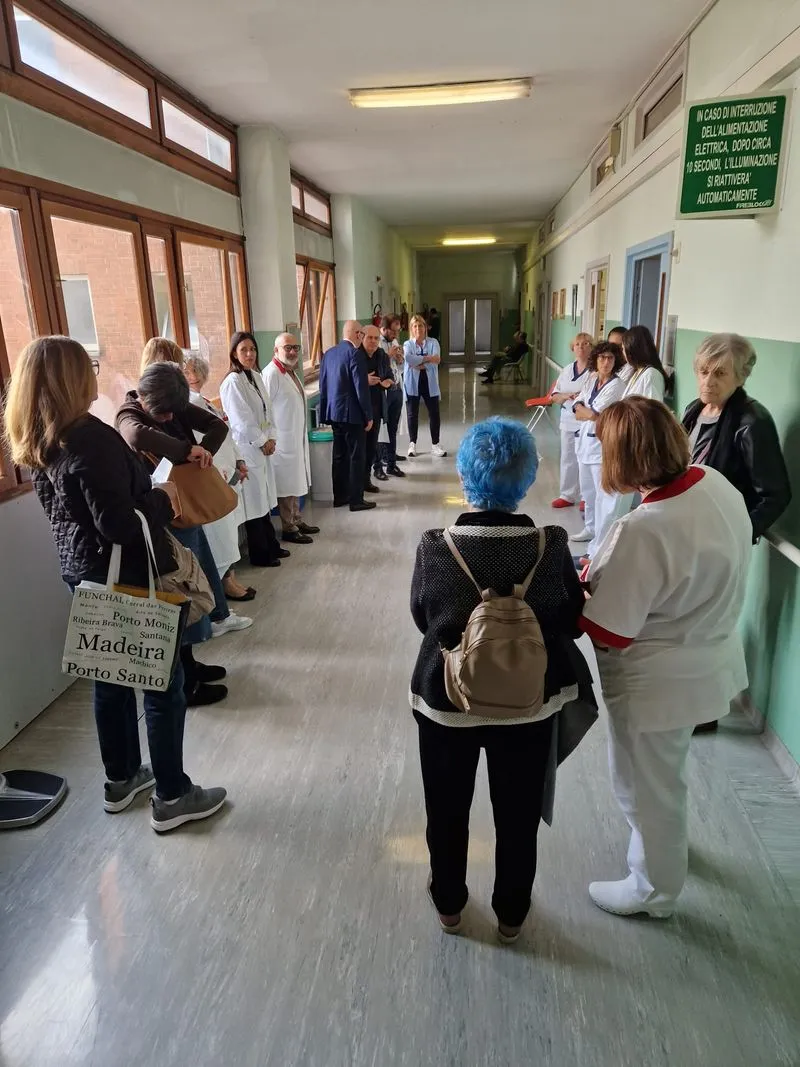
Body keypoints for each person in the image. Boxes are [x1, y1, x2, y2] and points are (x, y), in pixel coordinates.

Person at [4, 336, 226, 832]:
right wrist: (163, 497)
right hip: (126, 577)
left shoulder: (40, 438)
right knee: (161, 685)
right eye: (89, 367)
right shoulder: (89, 438)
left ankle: (121, 778)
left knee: (109, 678)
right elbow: (120, 524)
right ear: (71, 379)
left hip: (81, 574)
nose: (96, 375)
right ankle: (173, 795)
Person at [410, 418, 597, 943]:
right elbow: (570, 622)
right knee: (517, 816)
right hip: (529, 705)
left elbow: (423, 617)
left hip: (448, 700)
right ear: (526, 478)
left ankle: (449, 905)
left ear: (467, 477)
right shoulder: (551, 544)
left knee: (446, 809)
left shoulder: (436, 544)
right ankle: (511, 914)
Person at [580, 397, 752, 916]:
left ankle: (652, 888)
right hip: (708, 656)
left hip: (657, 682)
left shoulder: (645, 529)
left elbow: (609, 628)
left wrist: (581, 587)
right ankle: (667, 849)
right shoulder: (713, 482)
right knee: (667, 775)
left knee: (644, 784)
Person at [117, 364, 251, 705]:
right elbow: (136, 435)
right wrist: (184, 450)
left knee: (196, 581)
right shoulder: (129, 414)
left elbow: (216, 426)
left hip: (185, 509)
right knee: (179, 591)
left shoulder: (172, 404)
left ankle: (191, 664)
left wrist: (202, 449)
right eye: (160, 413)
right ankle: (185, 680)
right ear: (145, 397)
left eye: (171, 413)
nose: (166, 419)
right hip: (161, 519)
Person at [682, 333, 790, 542]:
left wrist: (738, 534)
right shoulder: (693, 410)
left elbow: (775, 495)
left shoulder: (752, 422)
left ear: (741, 376)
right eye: (703, 372)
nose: (708, 381)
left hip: (718, 538)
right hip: (685, 525)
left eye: (720, 373)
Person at [578, 324, 670, 566]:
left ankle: (603, 558)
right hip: (619, 444)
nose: (622, 354)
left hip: (631, 447)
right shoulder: (638, 373)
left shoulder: (651, 375)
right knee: (602, 502)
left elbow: (649, 414)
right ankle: (596, 553)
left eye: (624, 349)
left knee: (612, 506)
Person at [183, 354, 254, 603]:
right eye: (189, 371)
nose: (195, 375)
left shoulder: (204, 401)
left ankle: (229, 580)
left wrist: (239, 461)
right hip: (214, 477)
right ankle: (223, 586)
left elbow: (227, 433)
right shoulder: (188, 405)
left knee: (229, 533)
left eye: (197, 370)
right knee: (220, 539)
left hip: (228, 474)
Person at [219, 331, 289, 565]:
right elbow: (241, 420)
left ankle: (271, 544)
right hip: (248, 449)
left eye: (252, 349)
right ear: (234, 354)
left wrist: (272, 437)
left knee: (266, 500)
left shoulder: (256, 376)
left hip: (263, 446)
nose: (249, 354)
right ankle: (260, 554)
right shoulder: (232, 382)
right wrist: (262, 441)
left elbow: (269, 410)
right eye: (244, 350)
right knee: (255, 504)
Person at [262, 333, 320, 543]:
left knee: (295, 480)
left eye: (295, 347)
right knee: (286, 483)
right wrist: (270, 436)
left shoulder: (291, 372)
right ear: (276, 350)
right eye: (288, 348)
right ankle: (288, 526)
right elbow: (264, 410)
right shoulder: (271, 374)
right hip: (282, 439)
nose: (293, 351)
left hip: (295, 436)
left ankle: (297, 518)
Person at [571, 341, 626, 547]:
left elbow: (594, 414)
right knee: (588, 493)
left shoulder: (617, 385)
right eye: (602, 357)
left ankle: (601, 540)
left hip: (601, 448)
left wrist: (585, 411)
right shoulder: (591, 378)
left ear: (616, 361)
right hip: (584, 444)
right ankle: (591, 529)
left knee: (603, 496)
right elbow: (578, 405)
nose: (605, 362)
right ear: (595, 360)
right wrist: (582, 409)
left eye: (610, 358)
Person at [318, 320, 376, 512]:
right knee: (356, 456)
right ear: (358, 335)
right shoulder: (355, 354)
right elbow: (361, 388)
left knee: (339, 456)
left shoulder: (329, 354)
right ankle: (356, 499)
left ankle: (340, 497)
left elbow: (323, 385)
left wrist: (326, 412)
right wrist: (368, 415)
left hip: (334, 414)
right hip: (352, 416)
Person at [550, 333, 592, 509]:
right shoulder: (567, 369)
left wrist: (571, 397)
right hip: (567, 419)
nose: (581, 347)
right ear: (572, 348)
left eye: (585, 344)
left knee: (584, 458)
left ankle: (586, 497)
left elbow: (589, 395)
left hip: (585, 421)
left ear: (591, 347)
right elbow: (555, 395)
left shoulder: (594, 371)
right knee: (568, 457)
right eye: (577, 344)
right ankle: (567, 494)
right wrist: (565, 396)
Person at [404, 314, 447, 458]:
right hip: (412, 382)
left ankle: (435, 444)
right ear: (411, 328)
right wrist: (428, 359)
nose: (418, 329)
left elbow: (437, 359)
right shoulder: (407, 344)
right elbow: (409, 359)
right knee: (412, 413)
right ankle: (412, 444)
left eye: (420, 325)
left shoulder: (433, 342)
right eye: (415, 326)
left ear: (425, 327)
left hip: (430, 382)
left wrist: (418, 363)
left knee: (434, 413)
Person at [361, 324, 394, 487]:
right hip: (360, 409)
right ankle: (359, 482)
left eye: (376, 338)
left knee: (372, 444)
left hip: (377, 406)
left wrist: (387, 382)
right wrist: (364, 381)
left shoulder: (381, 355)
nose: (374, 341)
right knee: (361, 447)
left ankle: (366, 480)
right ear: (362, 338)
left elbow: (389, 375)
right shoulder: (357, 355)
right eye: (370, 338)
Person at [377, 314, 406, 477]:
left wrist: (399, 358)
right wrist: (388, 355)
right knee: (383, 427)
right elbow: (377, 365)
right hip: (384, 390)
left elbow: (399, 366)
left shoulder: (394, 341)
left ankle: (391, 459)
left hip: (397, 387)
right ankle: (382, 460)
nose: (395, 335)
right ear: (384, 329)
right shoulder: (377, 342)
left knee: (393, 426)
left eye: (397, 332)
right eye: (393, 332)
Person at [621, 326, 667, 401]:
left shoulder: (651, 374)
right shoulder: (637, 371)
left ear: (631, 350)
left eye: (623, 349)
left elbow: (653, 407)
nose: (623, 352)